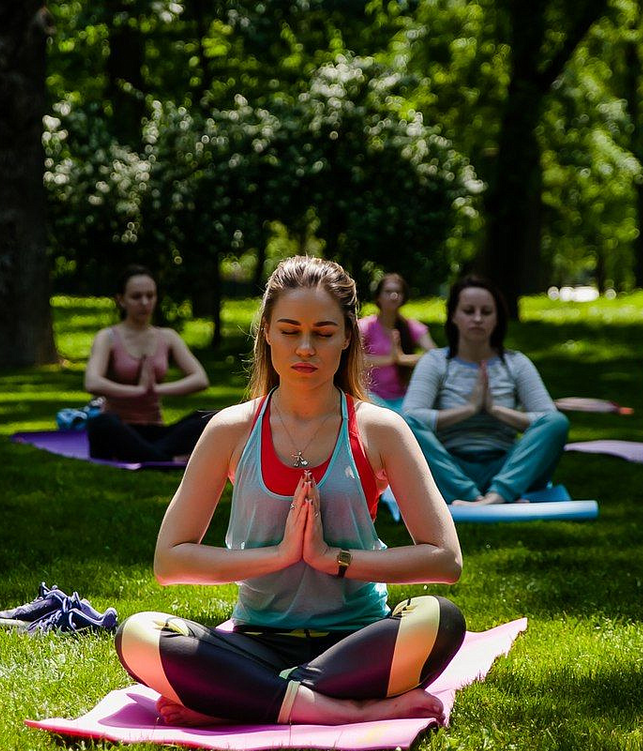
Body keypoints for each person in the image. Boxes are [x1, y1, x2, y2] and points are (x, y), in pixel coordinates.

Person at [115, 256, 466, 727]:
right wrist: (279, 556)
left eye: (323, 333)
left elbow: (446, 560)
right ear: (265, 331)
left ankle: (241, 697)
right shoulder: (230, 430)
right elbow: (170, 562)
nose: (305, 347)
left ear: (347, 337)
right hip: (256, 640)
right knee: (137, 633)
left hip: (356, 643)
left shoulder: (381, 430)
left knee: (440, 617)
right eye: (289, 330)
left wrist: (332, 559)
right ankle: (341, 710)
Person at [402, 275, 569, 506]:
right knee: (405, 424)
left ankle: (496, 495)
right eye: (469, 311)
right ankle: (475, 497)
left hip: (507, 467)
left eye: (486, 312)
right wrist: (469, 409)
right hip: (449, 468)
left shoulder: (516, 363)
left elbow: (546, 420)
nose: (478, 318)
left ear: (497, 318)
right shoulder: (435, 362)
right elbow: (411, 416)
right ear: (453, 316)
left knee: (557, 422)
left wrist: (496, 410)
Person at [84, 266, 213, 462]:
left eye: (150, 296)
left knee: (211, 417)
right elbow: (92, 383)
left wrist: (156, 389)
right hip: (120, 428)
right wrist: (138, 391)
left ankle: (152, 455)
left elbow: (200, 379)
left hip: (157, 432)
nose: (145, 302)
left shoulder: (167, 337)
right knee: (101, 424)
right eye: (136, 297)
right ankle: (167, 460)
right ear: (121, 300)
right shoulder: (108, 337)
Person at [358, 273, 437, 412]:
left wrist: (403, 359)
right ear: (378, 297)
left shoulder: (411, 326)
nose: (394, 296)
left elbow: (436, 356)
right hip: (370, 396)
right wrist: (390, 359)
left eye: (398, 292)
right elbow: (353, 359)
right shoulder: (365, 326)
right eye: (388, 292)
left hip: (402, 398)